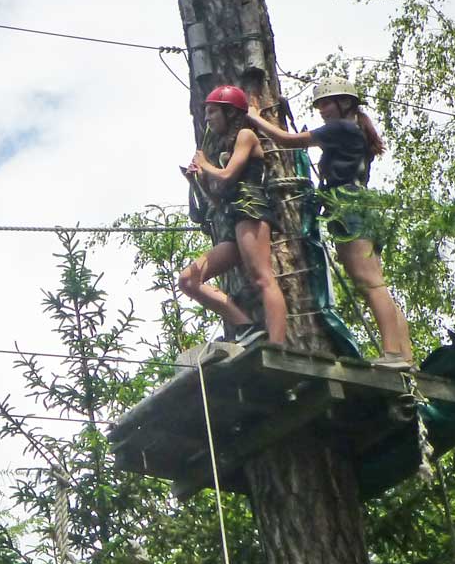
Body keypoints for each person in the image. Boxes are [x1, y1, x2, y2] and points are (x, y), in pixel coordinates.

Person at [244, 77, 414, 369]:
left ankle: (394, 355)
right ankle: (405, 355)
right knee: (375, 281)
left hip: (348, 206)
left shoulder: (342, 127)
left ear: (345, 102)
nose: (322, 109)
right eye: (319, 104)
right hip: (358, 204)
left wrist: (254, 118)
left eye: (326, 103)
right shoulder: (353, 129)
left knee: (370, 282)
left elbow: (286, 142)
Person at [177, 84, 288, 347]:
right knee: (188, 280)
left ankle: (277, 344)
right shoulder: (227, 146)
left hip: (250, 211)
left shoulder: (246, 135)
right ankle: (244, 326)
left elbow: (228, 175)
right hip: (232, 218)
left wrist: (206, 165)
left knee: (262, 277)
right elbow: (218, 197)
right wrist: (199, 180)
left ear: (230, 113)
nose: (208, 119)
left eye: (213, 112)